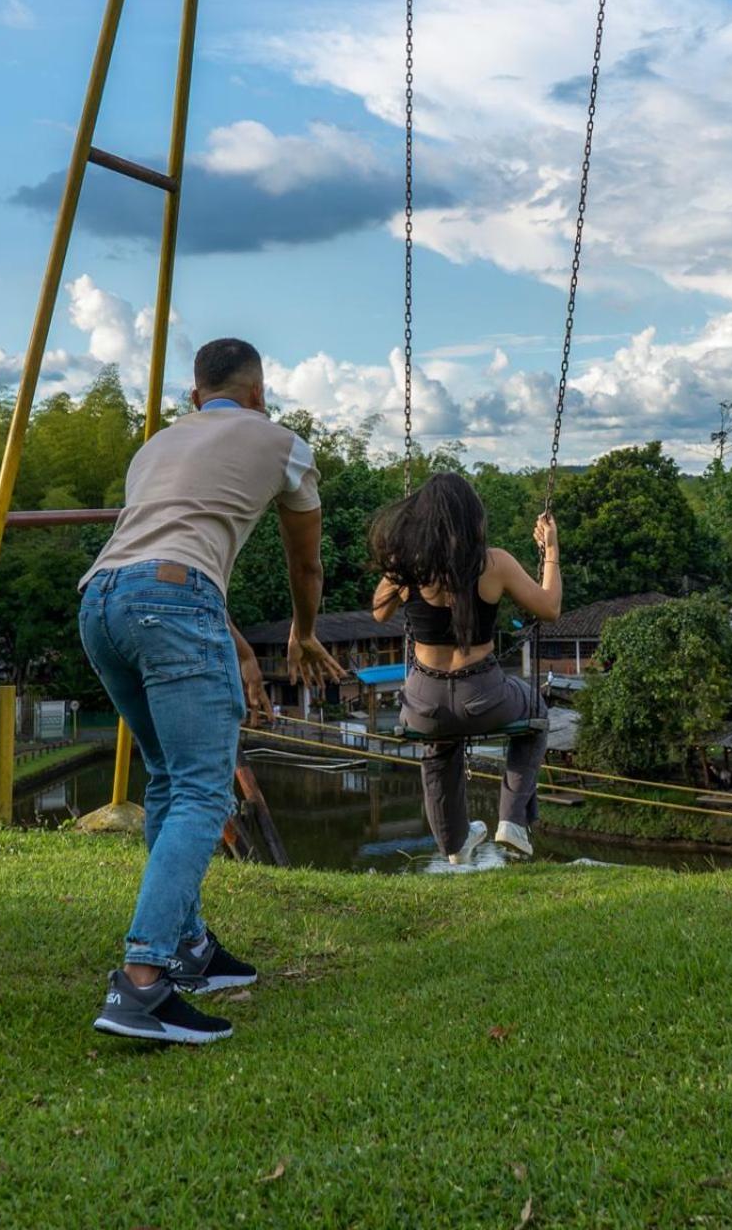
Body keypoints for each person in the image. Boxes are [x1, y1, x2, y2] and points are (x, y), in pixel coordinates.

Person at [79, 337, 344, 1045]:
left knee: (168, 777)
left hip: (100, 604)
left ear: (196, 397)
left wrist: (232, 647)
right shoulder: (282, 443)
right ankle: (142, 983)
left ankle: (190, 947)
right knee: (203, 791)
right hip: (173, 602)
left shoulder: (155, 448)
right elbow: (307, 562)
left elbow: (161, 559)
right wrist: (303, 631)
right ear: (258, 394)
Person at [370, 472, 562, 864]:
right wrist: (551, 551)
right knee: (536, 714)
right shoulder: (494, 563)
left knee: (438, 748)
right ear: (472, 517)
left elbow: (379, 612)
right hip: (486, 694)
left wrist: (397, 565)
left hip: (425, 700)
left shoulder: (409, 566)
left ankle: (454, 843)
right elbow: (550, 607)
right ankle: (511, 820)